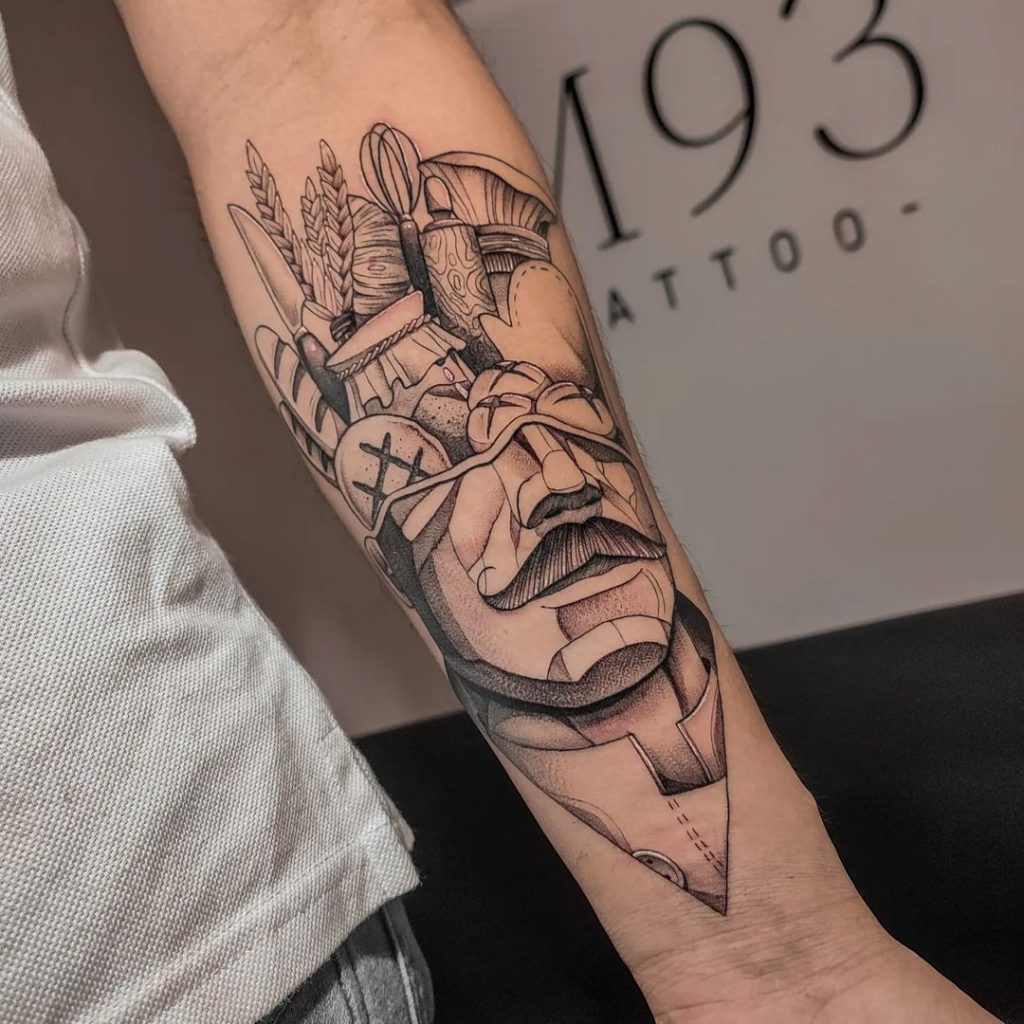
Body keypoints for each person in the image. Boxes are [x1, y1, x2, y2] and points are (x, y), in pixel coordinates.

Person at [0, 1, 1001, 1021]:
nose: (552, 477)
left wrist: (777, 972)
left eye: (544, 422)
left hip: (183, 934)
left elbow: (300, 43)